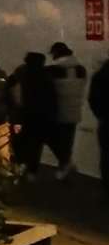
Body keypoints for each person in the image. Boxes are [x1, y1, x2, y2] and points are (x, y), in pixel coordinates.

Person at [7, 51, 56, 174]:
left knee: (19, 141)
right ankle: (32, 170)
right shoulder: (46, 75)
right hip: (39, 116)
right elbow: (51, 97)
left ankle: (20, 164)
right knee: (36, 145)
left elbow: (9, 86)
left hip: (22, 115)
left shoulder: (21, 72)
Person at [46, 42, 87, 179]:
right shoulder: (81, 69)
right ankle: (65, 166)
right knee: (67, 142)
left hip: (58, 113)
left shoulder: (53, 70)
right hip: (74, 112)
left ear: (56, 54)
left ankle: (66, 164)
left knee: (51, 138)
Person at [89, 56, 109, 207]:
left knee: (106, 158)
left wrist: (102, 115)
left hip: (107, 123)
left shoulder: (102, 74)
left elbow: (93, 99)